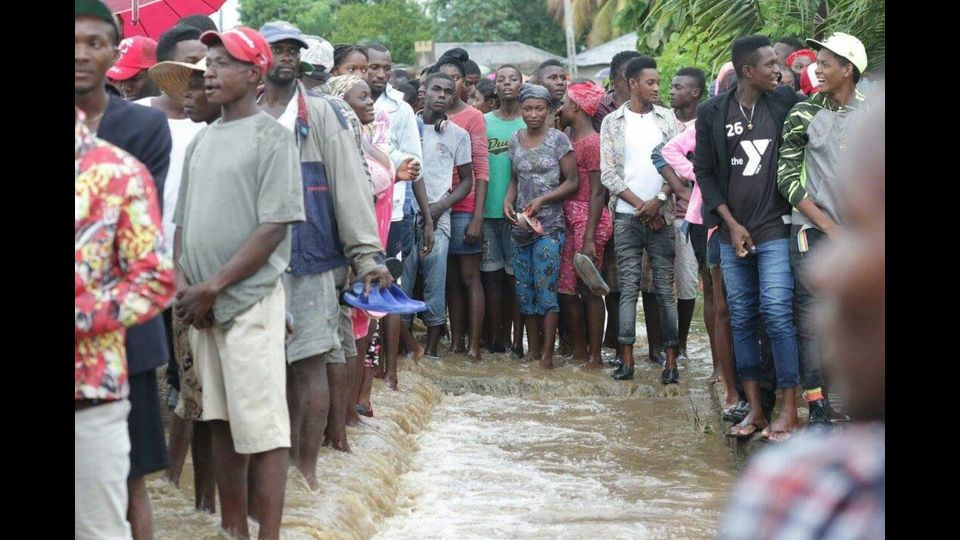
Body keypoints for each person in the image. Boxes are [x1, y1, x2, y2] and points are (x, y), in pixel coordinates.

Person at [719, 89, 884, 540]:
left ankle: (800, 406)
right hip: (783, 228)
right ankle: (808, 405)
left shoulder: (792, 484)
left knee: (775, 314)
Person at [173, 26, 305, 539]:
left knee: (264, 429)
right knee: (220, 420)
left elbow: (273, 226)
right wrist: (188, 286)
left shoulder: (271, 137)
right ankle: (234, 530)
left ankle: (266, 533)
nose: (209, 71)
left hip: (247, 302)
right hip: (202, 306)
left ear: (254, 74)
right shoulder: (202, 140)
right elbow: (183, 225)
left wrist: (214, 287)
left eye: (222, 63)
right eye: (207, 62)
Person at [258, 22, 391, 481]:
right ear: (258, 56)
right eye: (276, 49)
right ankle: (273, 465)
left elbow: (351, 187)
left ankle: (307, 469)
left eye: (292, 49)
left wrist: (367, 255)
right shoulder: (240, 113)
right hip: (253, 263)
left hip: (311, 255)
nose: (286, 57)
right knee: (263, 368)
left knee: (310, 360)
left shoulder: (321, 114)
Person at [76, 5, 174, 537]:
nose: (80, 54)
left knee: (125, 478)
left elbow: (147, 263)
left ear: (114, 55)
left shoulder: (129, 150)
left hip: (106, 356)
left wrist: (86, 310)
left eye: (94, 42)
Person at [694, 35, 803, 441]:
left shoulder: (785, 103)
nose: (779, 69)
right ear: (747, 72)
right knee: (741, 319)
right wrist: (730, 223)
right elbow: (703, 172)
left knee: (777, 313)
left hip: (775, 228)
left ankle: (790, 411)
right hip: (730, 233)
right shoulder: (712, 113)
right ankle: (755, 410)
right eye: (771, 63)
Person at [778, 32, 870, 429]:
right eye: (817, 62)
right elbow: (787, 180)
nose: (817, 69)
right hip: (811, 231)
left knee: (861, 316)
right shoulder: (803, 113)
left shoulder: (873, 115)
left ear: (848, 70)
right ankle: (817, 405)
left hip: (864, 238)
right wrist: (829, 226)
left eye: (826, 63)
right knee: (812, 316)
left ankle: (856, 402)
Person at [147, 54, 221, 513]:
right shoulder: (188, 140)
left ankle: (207, 503)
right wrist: (179, 277)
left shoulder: (245, 139)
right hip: (183, 277)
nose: (191, 95)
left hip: (225, 285)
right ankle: (182, 488)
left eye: (201, 85)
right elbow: (178, 223)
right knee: (185, 381)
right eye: (188, 86)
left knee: (211, 397)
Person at [600, 56, 684, 383]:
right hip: (626, 217)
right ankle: (627, 359)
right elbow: (608, 173)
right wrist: (641, 206)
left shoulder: (668, 119)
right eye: (650, 82)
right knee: (627, 289)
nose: (656, 88)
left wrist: (659, 200)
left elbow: (678, 163)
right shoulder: (613, 122)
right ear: (632, 83)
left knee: (665, 289)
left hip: (660, 216)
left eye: (657, 83)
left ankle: (671, 362)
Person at [504, 83, 579, 369]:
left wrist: (544, 199)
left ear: (548, 110)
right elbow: (514, 179)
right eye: (527, 109)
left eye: (539, 109)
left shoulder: (559, 139)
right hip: (520, 227)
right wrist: (506, 203)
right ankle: (532, 352)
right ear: (521, 110)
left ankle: (547, 355)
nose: (533, 114)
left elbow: (572, 182)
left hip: (549, 226)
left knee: (547, 289)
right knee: (525, 291)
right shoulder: (515, 140)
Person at [365, 42, 426, 389]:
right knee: (361, 284)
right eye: (374, 68)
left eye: (385, 68)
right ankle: (366, 368)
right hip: (359, 207)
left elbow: (414, 162)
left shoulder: (399, 109)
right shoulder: (343, 101)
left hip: (393, 208)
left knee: (389, 283)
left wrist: (387, 162)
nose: (380, 74)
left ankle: (390, 370)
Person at [400, 72, 470, 358]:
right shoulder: (408, 127)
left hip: (439, 216)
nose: (442, 95)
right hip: (406, 214)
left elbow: (467, 180)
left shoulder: (457, 134)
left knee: (434, 282)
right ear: (424, 91)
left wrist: (439, 208)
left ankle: (430, 351)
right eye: (436, 90)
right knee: (403, 282)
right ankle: (404, 349)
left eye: (447, 92)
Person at [432, 49, 489, 361]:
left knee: (470, 276)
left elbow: (481, 171)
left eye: (455, 78)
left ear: (463, 83)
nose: (449, 85)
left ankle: (474, 345)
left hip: (464, 205)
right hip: (435, 206)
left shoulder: (473, 117)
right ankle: (455, 341)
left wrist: (477, 217)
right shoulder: (428, 115)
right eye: (444, 79)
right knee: (449, 278)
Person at [556, 81, 612, 368]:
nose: (560, 107)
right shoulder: (568, 136)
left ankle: (595, 356)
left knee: (590, 288)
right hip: (569, 220)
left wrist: (589, 237)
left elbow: (598, 192)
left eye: (564, 103)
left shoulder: (592, 142)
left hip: (589, 222)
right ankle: (579, 351)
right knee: (567, 289)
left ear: (575, 107)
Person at [482, 65, 526, 357]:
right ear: (494, 87)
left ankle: (515, 340)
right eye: (502, 80)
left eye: (514, 79)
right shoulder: (483, 121)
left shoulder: (530, 121)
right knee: (491, 279)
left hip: (519, 215)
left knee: (515, 280)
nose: (507, 83)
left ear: (522, 84)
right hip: (486, 213)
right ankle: (495, 337)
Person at [108, 35, 160, 101]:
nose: (126, 87)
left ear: (158, 74)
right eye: (121, 79)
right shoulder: (113, 109)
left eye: (134, 79)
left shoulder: (175, 108)